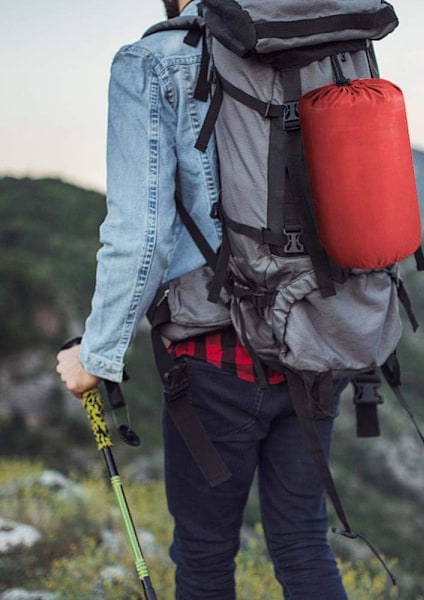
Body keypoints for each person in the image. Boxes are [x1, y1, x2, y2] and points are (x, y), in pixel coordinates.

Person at [55, 1, 348, 598]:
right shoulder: (321, 36)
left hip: (218, 359)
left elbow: (142, 233)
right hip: (319, 337)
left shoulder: (153, 60)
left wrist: (97, 354)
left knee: (207, 558)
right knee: (303, 543)